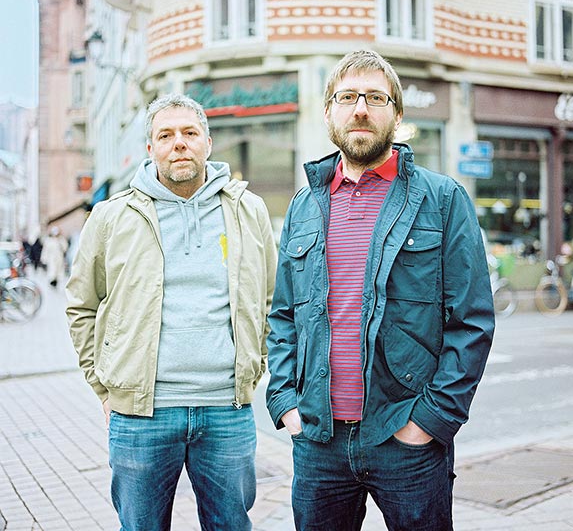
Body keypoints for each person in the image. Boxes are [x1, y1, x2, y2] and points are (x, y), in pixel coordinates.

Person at [266, 50, 495, 531]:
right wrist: (285, 403)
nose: (361, 109)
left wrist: (430, 421)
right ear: (329, 110)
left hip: (405, 441)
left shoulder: (442, 199)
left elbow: (472, 321)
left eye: (375, 97)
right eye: (347, 97)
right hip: (319, 443)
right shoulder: (305, 205)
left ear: (397, 113)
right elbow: (283, 315)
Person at [66, 93, 277, 531]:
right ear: (150, 149)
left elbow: (271, 300)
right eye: (165, 135)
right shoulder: (111, 217)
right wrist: (104, 387)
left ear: (207, 143)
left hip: (227, 409)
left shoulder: (248, 210)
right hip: (142, 414)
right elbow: (81, 305)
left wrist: (254, 370)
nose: (178, 143)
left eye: (189, 133)